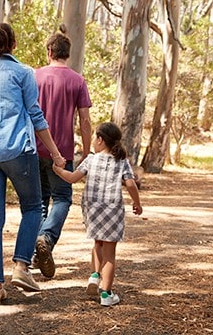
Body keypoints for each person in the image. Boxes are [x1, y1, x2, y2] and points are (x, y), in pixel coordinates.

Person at [0, 23, 65, 306]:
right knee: (32, 207)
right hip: (18, 149)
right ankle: (21, 266)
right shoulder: (23, 73)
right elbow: (35, 115)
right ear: (14, 45)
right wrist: (55, 153)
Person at [53, 122, 142, 306]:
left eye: (94, 137)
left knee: (97, 243)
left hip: (92, 209)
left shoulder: (91, 160)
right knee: (110, 254)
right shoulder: (121, 161)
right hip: (112, 210)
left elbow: (71, 178)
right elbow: (131, 184)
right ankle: (106, 295)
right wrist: (136, 202)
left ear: (100, 140)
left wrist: (57, 170)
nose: (94, 141)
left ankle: (94, 276)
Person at [33, 28, 92, 278]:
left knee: (39, 201)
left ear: (49, 52)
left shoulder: (35, 76)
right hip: (63, 152)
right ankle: (46, 238)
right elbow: (85, 121)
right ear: (68, 54)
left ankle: (38, 248)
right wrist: (88, 150)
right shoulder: (77, 80)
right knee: (63, 198)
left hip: (34, 148)